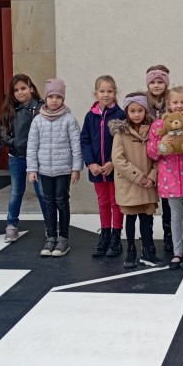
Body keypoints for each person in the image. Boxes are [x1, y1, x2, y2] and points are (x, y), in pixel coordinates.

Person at [27, 78, 82, 257]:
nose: (54, 100)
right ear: (45, 98)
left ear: (63, 99)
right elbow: (32, 146)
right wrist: (32, 169)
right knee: (49, 202)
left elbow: (76, 145)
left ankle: (63, 239)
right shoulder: (37, 120)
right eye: (51, 97)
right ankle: (51, 237)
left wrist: (76, 168)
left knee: (61, 201)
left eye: (58, 97)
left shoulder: (69, 119)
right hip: (44, 170)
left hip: (63, 169)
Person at [148, 86, 183, 270]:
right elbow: (152, 153)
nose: (179, 105)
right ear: (168, 104)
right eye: (175, 102)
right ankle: (177, 253)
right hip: (168, 180)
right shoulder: (159, 125)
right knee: (175, 218)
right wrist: (161, 143)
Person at [112, 92, 160, 267]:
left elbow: (158, 157)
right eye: (132, 111)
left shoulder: (153, 131)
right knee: (131, 218)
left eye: (140, 110)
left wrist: (152, 177)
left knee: (147, 219)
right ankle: (131, 251)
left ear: (145, 111)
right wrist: (139, 177)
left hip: (148, 184)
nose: (137, 114)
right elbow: (118, 159)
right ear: (127, 112)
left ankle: (148, 251)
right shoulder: (121, 133)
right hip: (130, 184)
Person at [0, 74, 47, 242]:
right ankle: (11, 225)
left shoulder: (42, 107)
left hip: (38, 157)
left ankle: (50, 226)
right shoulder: (10, 109)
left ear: (31, 88)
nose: (20, 92)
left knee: (42, 193)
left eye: (23, 88)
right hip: (17, 156)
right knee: (16, 191)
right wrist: (15, 143)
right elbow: (3, 132)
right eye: (16, 90)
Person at [81, 75, 126, 257]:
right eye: (102, 91)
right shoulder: (90, 116)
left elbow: (123, 141)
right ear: (96, 93)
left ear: (115, 93)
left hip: (114, 168)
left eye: (110, 91)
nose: (106, 95)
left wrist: (113, 162)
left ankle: (116, 236)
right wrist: (90, 163)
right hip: (96, 169)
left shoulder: (120, 115)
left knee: (116, 202)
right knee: (103, 202)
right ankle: (105, 234)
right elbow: (85, 140)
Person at [145, 65, 174, 252]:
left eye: (160, 82)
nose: (156, 85)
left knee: (168, 201)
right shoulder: (143, 102)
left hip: (166, 156)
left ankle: (169, 234)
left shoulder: (172, 102)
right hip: (147, 154)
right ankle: (146, 234)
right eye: (153, 82)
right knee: (147, 197)